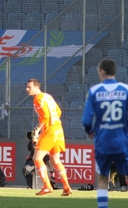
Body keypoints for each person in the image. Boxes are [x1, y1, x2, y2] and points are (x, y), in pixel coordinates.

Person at [82, 58, 128, 208]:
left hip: (103, 142)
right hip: (122, 141)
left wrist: (89, 131)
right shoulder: (125, 90)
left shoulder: (94, 91)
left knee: (102, 178)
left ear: (102, 72)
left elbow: (86, 120)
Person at [26, 78, 73, 196]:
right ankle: (67, 187)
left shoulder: (38, 99)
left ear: (37, 87)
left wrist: (37, 130)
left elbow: (46, 116)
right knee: (56, 160)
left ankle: (47, 186)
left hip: (50, 130)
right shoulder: (47, 96)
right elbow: (58, 112)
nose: (27, 89)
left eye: (29, 87)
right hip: (58, 129)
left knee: (37, 158)